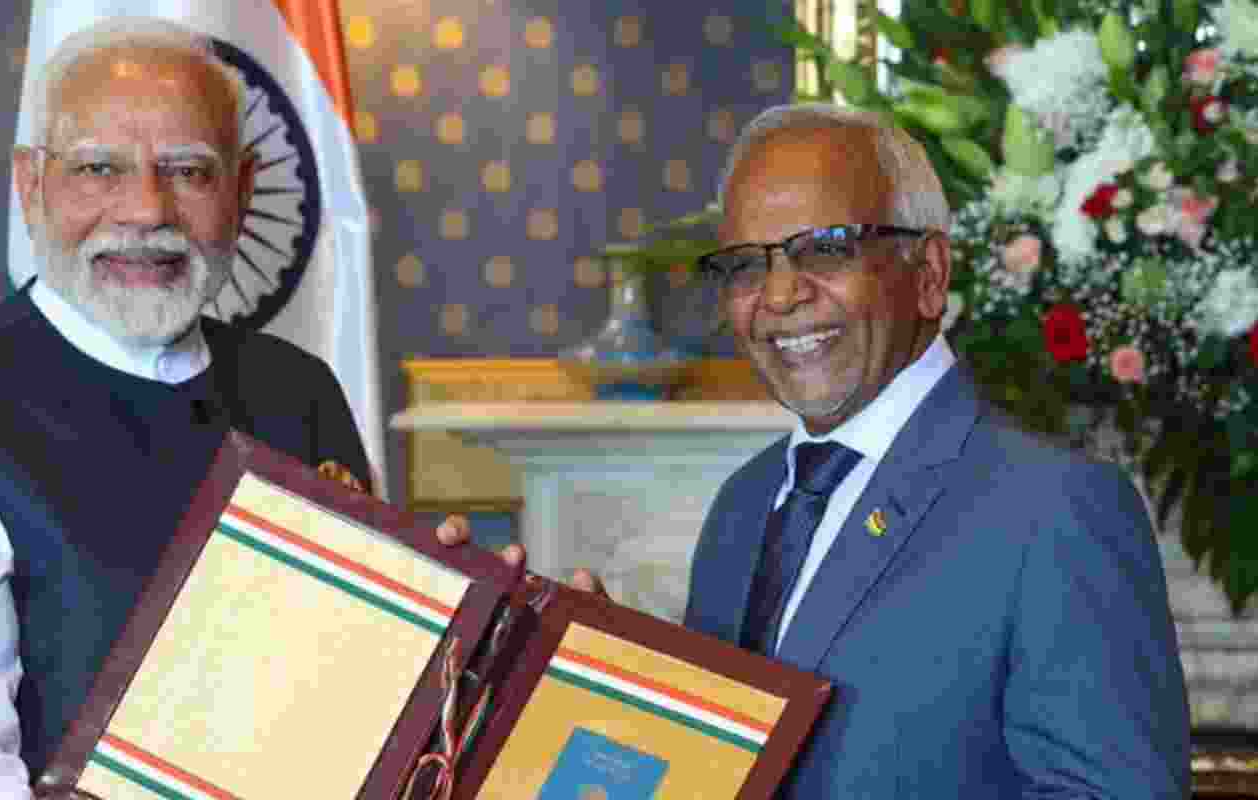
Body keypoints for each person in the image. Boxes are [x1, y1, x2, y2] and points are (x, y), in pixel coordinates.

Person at [443, 103, 1190, 798]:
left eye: (824, 250)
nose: (778, 295)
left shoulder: (1058, 510)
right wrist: (599, 679)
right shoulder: (744, 504)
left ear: (928, 275)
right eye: (744, 263)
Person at [0, 18, 378, 798]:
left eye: (188, 171)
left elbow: (368, 688)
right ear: (30, 185)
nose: (145, 211)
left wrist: (507, 633)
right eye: (98, 169)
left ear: (243, 188)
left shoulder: (302, 393)